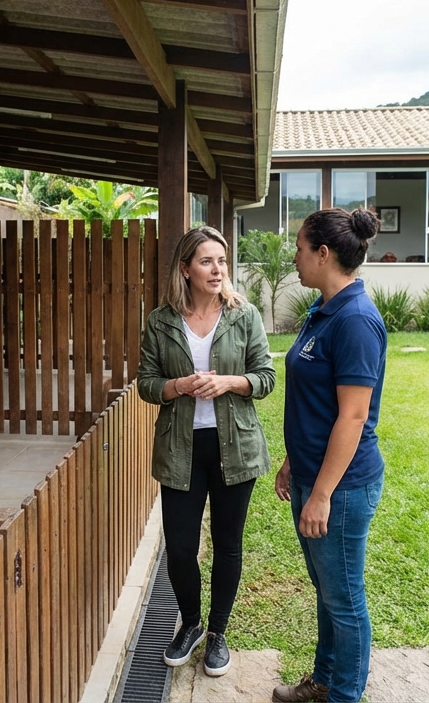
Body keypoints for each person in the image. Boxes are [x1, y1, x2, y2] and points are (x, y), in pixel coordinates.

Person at [136, 225, 275, 677]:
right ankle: (191, 623)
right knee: (179, 547)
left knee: (228, 546)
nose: (218, 270)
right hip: (180, 448)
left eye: (222, 260)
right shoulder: (161, 320)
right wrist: (178, 386)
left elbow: (266, 377)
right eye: (206, 261)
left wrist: (229, 382)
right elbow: (146, 383)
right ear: (185, 269)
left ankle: (217, 632)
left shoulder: (244, 314)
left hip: (235, 446)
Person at [272, 208, 387, 703]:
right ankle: (322, 683)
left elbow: (352, 417)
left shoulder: (357, 321)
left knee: (344, 600)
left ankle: (343, 696)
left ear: (323, 254)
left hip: (339, 488)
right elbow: (313, 403)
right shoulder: (324, 310)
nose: (294, 257)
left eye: (299, 248)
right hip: (312, 475)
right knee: (327, 591)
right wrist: (293, 461)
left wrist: (320, 494)